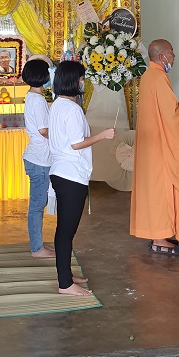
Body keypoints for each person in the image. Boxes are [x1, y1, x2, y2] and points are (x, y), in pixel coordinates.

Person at [129, 39, 179, 256]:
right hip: (160, 148)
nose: (174, 56)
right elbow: (171, 117)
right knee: (163, 191)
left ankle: (158, 235)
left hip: (151, 147)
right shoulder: (159, 78)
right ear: (162, 57)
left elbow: (164, 109)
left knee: (155, 192)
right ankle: (160, 240)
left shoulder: (149, 76)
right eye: (171, 52)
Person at [49, 61, 115, 296]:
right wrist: (103, 135)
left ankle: (65, 274)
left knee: (64, 230)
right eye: (80, 79)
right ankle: (65, 284)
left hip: (60, 171)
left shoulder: (58, 104)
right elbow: (77, 143)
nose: (82, 83)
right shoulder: (72, 109)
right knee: (66, 231)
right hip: (71, 175)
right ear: (72, 81)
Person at [21, 59, 55, 259]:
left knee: (38, 204)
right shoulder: (38, 100)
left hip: (38, 157)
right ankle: (37, 248)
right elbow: (44, 131)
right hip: (39, 159)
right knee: (37, 205)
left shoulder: (32, 97)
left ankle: (38, 246)